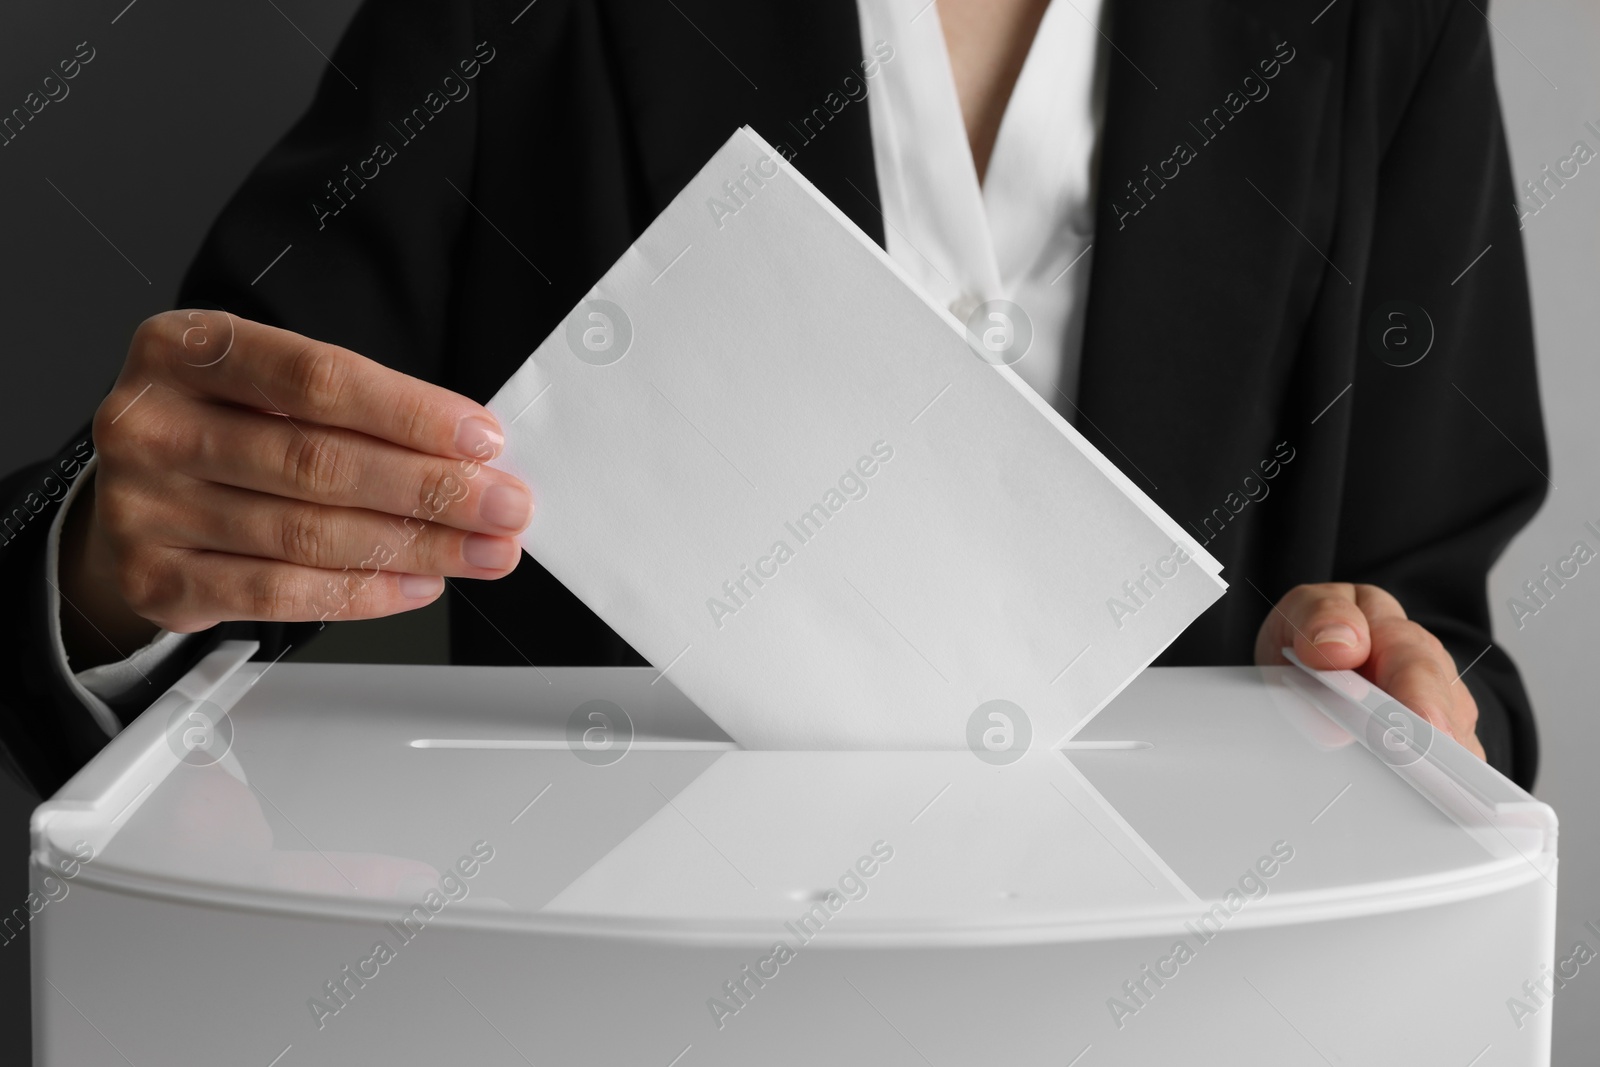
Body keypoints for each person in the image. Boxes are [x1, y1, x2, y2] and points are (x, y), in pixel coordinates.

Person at [0, 0, 1546, 797]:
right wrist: (102, 582)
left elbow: (1436, 618)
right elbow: (217, 464)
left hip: (1181, 1009)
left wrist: (1412, 708)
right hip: (614, 1005)